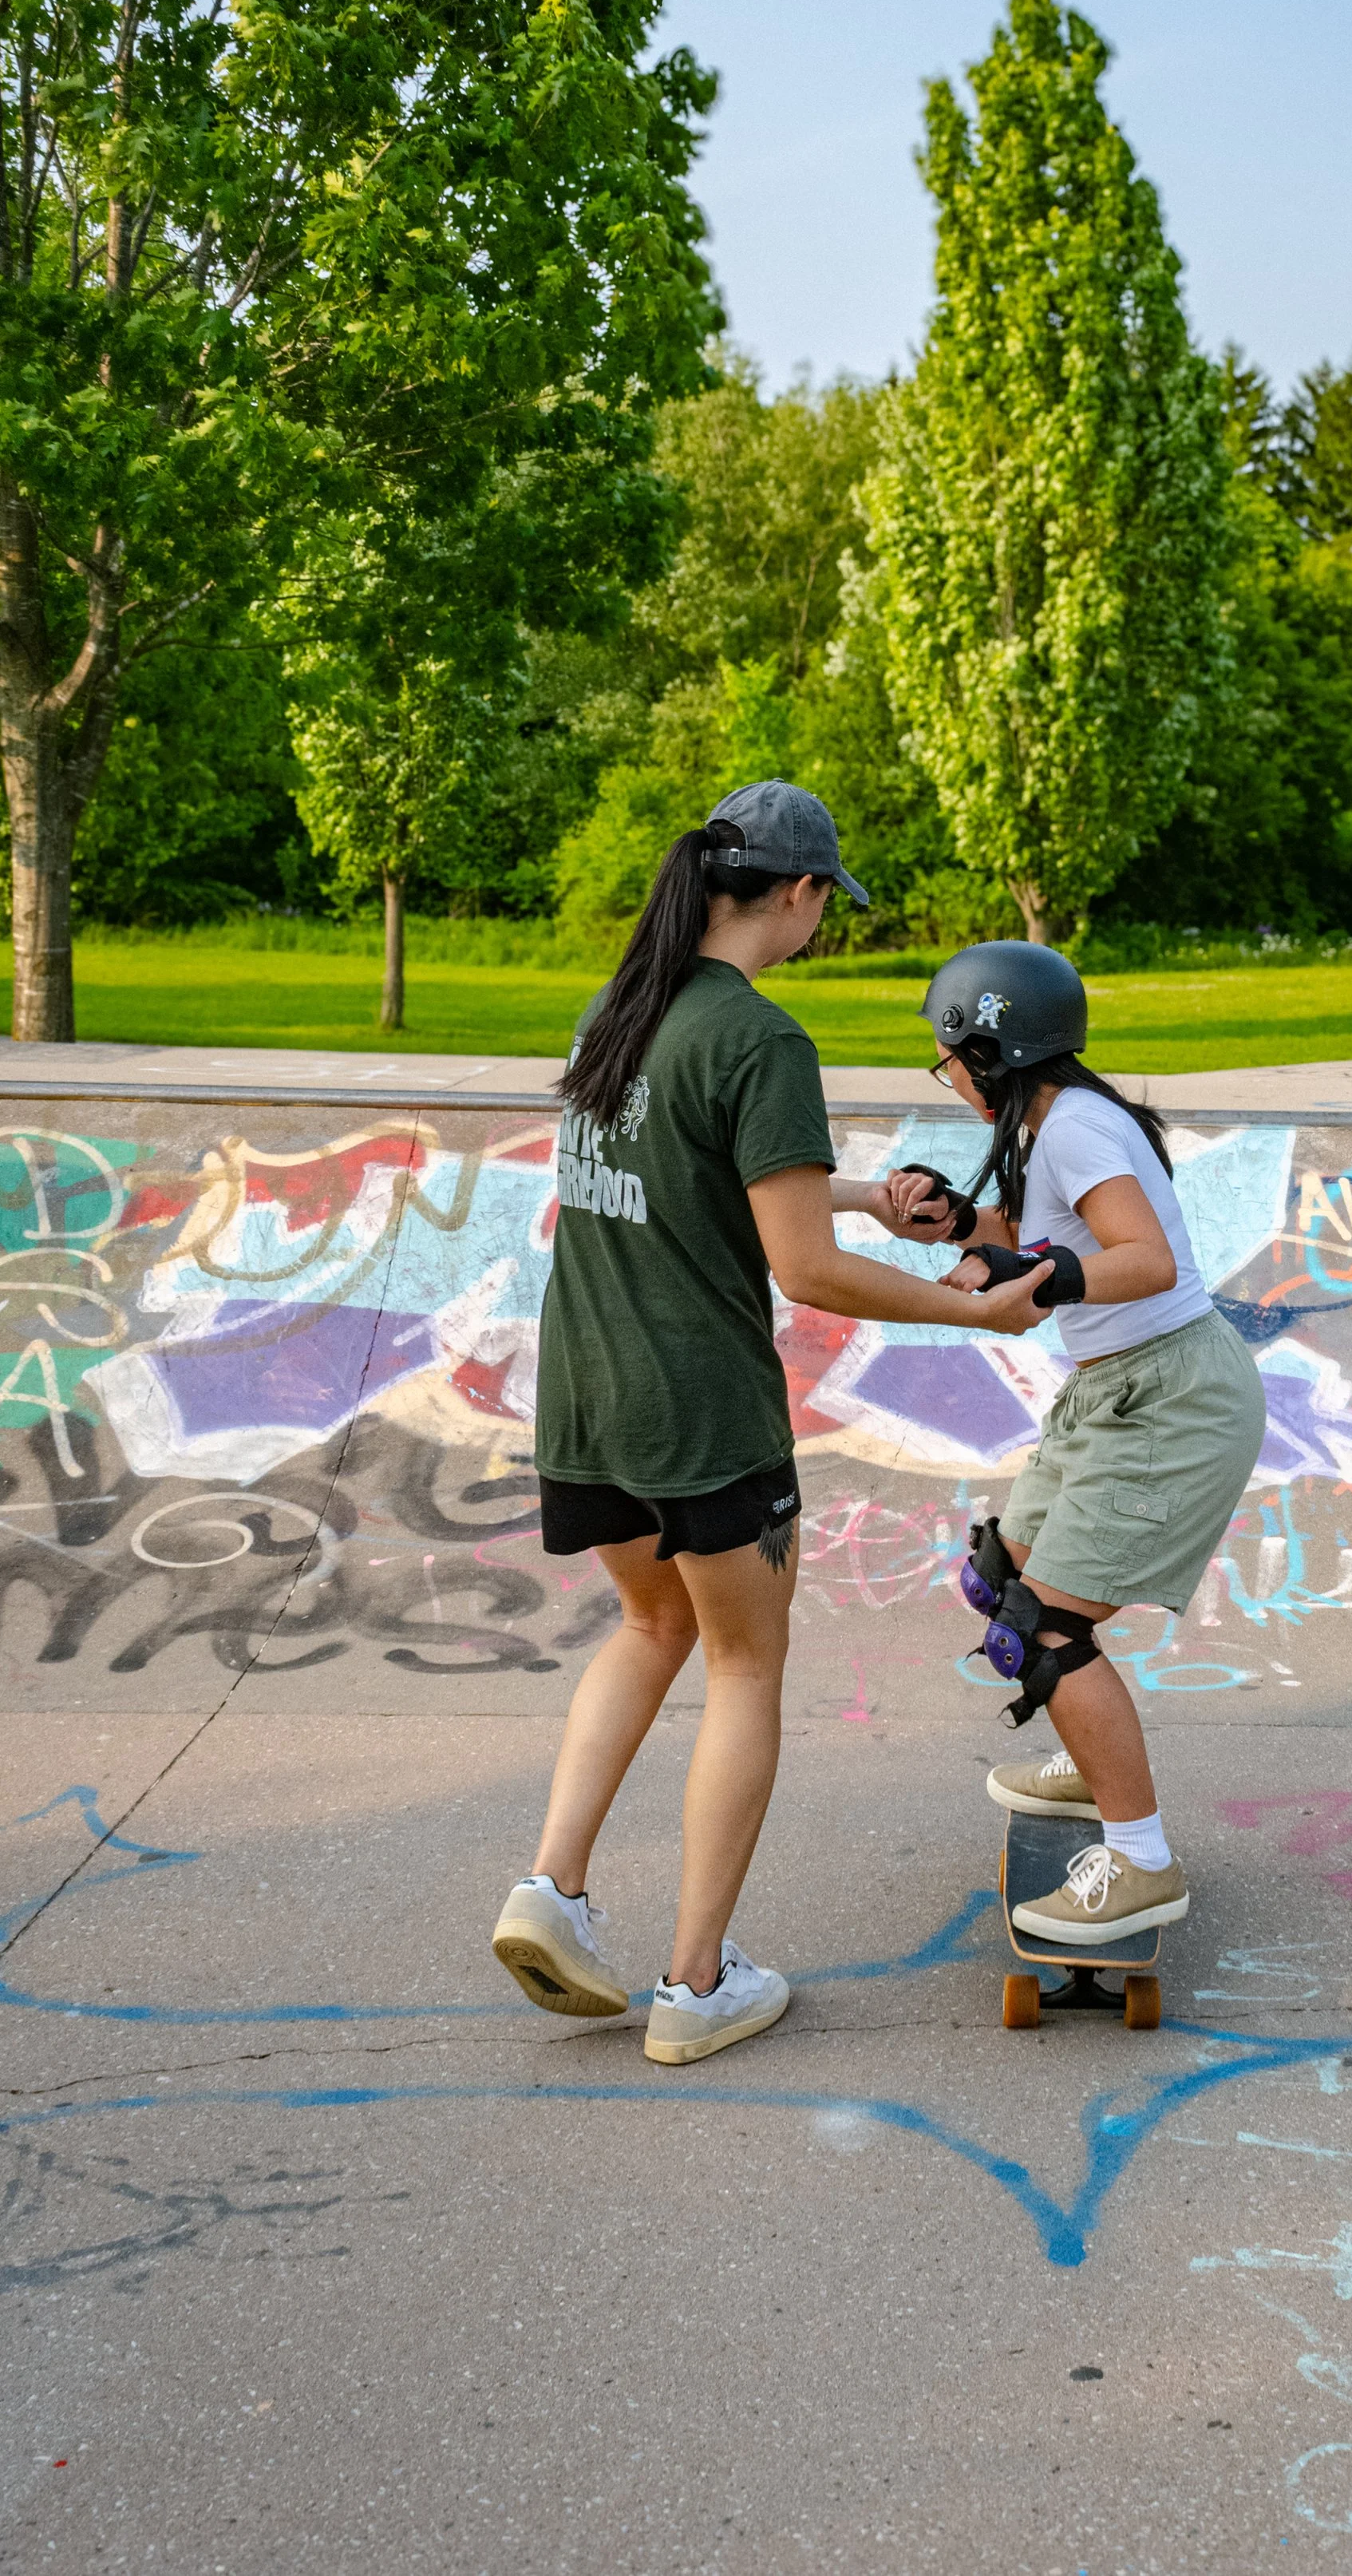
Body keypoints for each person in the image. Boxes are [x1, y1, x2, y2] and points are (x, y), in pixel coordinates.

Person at [491, 783, 1050, 2065]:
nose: (819, 924)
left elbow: (702, 1177)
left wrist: (865, 1193)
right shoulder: (760, 1039)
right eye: (822, 905)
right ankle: (696, 1985)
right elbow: (804, 1273)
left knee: (649, 1623)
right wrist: (978, 1312)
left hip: (587, 1395)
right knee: (743, 1665)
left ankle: (552, 1890)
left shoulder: (621, 1008)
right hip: (700, 1411)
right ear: (798, 896)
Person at [919, 939, 1268, 1951]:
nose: (948, 1080)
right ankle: (1089, 1761)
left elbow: (1143, 1261)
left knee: (1047, 1630)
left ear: (991, 1051)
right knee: (1007, 1579)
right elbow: (1044, 1229)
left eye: (951, 1059)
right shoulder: (1054, 1119)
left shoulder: (1072, 1127)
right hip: (1117, 1387)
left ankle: (1142, 1859)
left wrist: (1040, 1281)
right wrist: (953, 1224)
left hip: (1170, 1397)